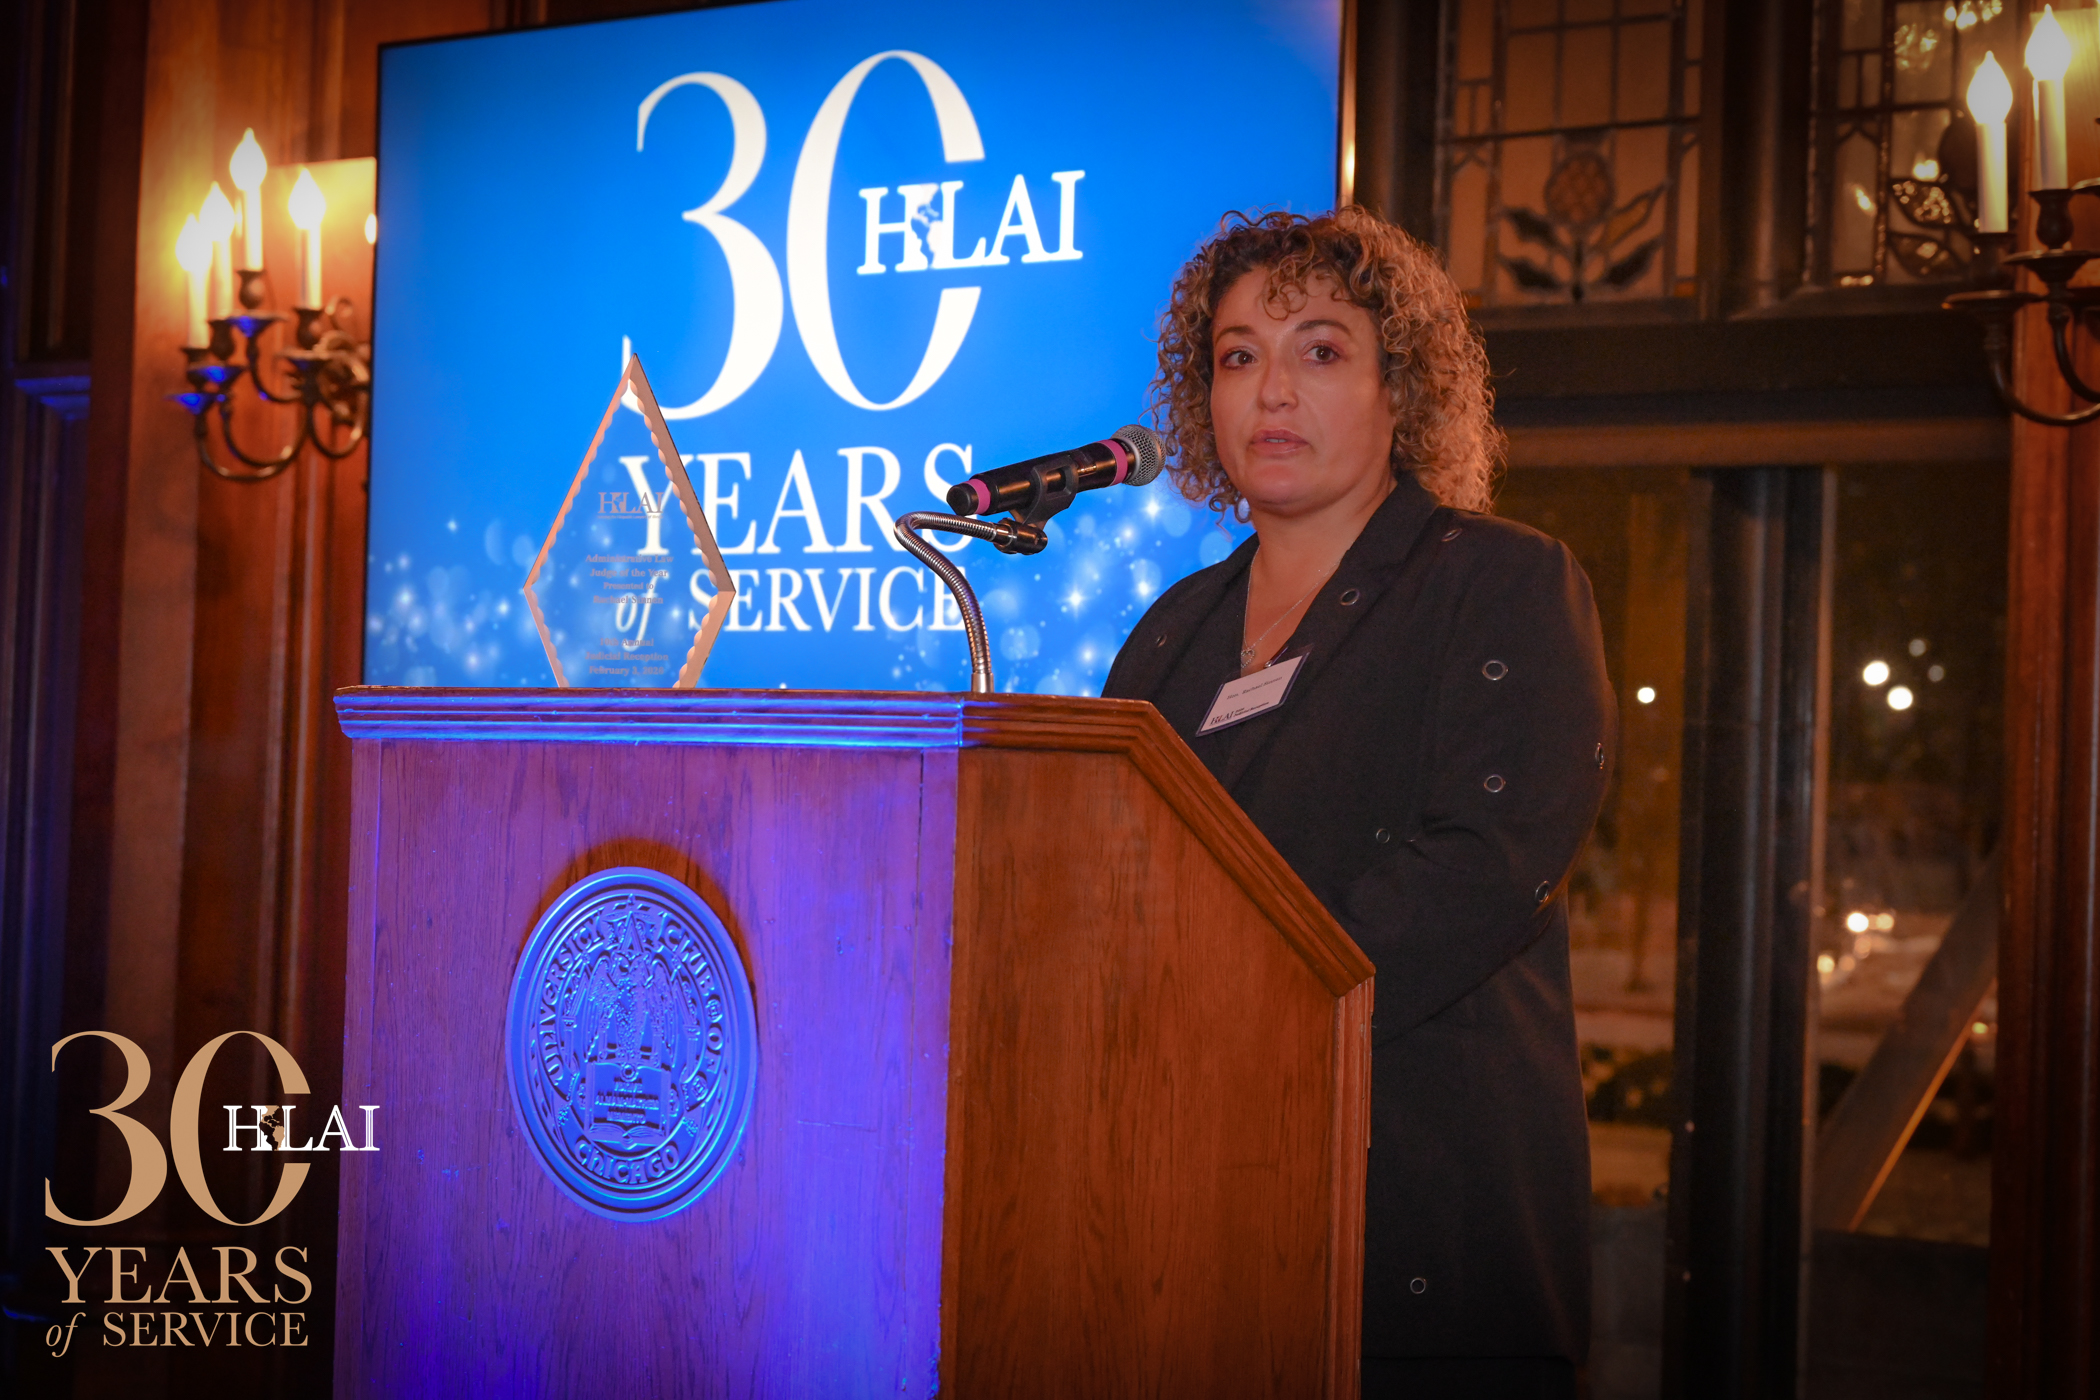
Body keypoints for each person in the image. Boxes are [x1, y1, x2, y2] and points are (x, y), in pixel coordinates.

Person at [1102, 208, 1613, 1398]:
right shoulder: (1172, 631)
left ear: (1402, 389)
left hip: (1423, 1229)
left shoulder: (1500, 582)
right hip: (1187, 1223)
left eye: (1321, 350)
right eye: (1239, 355)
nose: (1272, 390)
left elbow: (1480, 865)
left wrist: (1217, 1002)